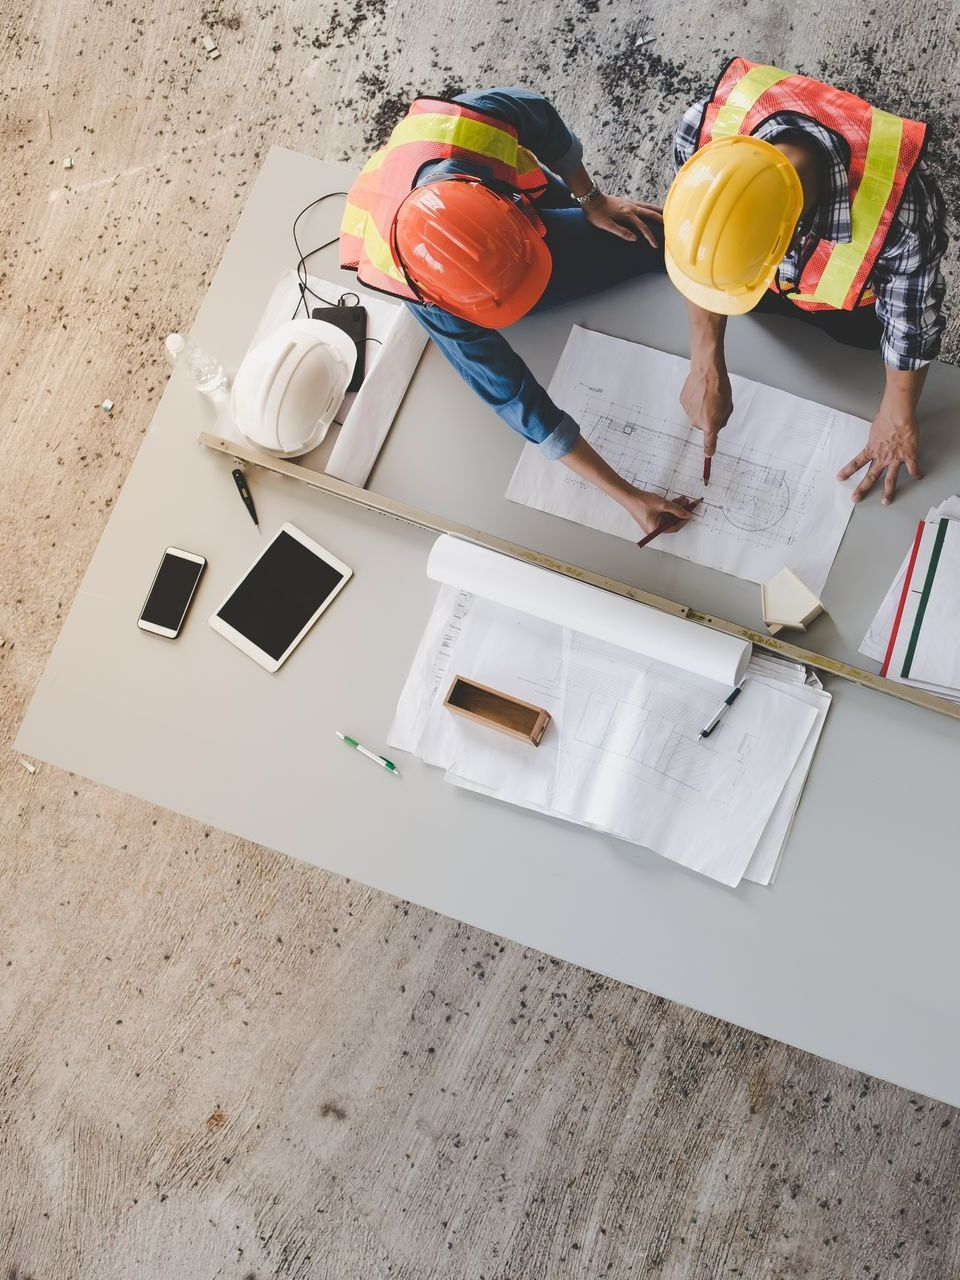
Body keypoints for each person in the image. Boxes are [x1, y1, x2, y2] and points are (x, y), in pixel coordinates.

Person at [339, 87, 693, 536]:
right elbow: (517, 399)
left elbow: (545, 126)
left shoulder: (472, 125)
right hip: (447, 219)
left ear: (507, 205)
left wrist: (591, 200)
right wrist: (629, 497)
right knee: (654, 243)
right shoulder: (424, 292)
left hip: (502, 197)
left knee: (660, 241)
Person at [665, 57, 948, 505]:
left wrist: (897, 413)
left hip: (850, 307)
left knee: (852, 346)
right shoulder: (703, 134)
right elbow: (703, 251)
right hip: (762, 291)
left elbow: (911, 323)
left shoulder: (901, 216)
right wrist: (704, 361)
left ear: (790, 239)